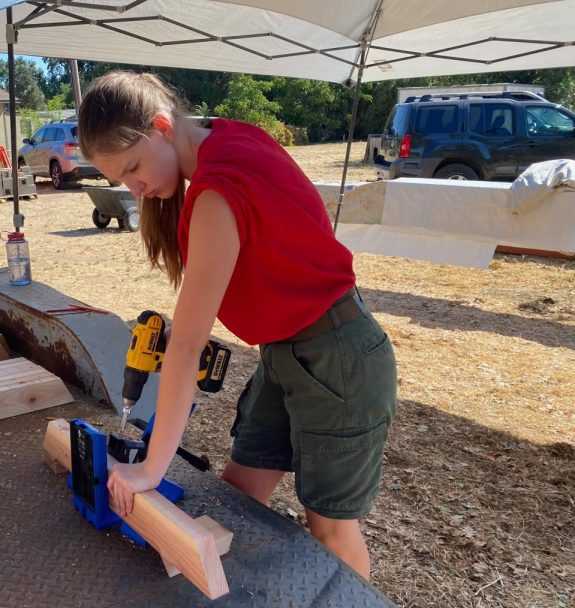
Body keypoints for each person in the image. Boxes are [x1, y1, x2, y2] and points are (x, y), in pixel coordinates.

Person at [77, 71, 397, 580]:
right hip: (286, 350)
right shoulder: (221, 135)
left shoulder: (216, 193)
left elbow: (184, 350)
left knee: (331, 531)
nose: (134, 188)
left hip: (337, 354)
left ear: (162, 126)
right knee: (239, 494)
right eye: (120, 181)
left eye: (134, 168)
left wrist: (150, 469)